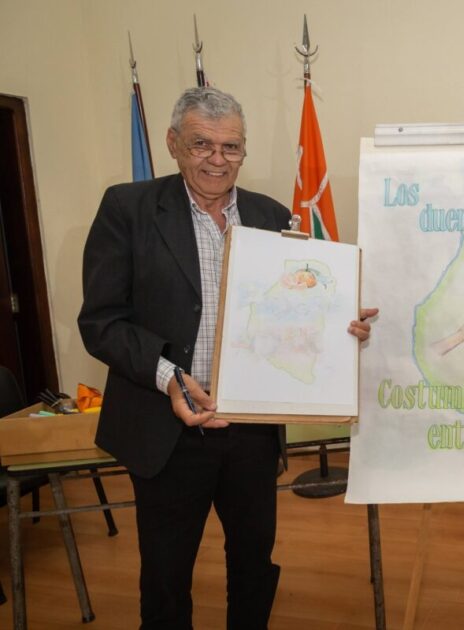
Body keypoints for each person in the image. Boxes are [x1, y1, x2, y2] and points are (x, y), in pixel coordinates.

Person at [78, 86, 377, 629]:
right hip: (166, 429)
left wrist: (340, 323)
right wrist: (170, 377)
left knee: (254, 562)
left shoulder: (272, 214)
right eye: (202, 144)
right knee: (166, 576)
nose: (217, 159)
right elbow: (100, 323)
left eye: (230, 147)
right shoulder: (127, 209)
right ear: (173, 143)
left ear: (243, 150)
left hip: (251, 431)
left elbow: (295, 307)